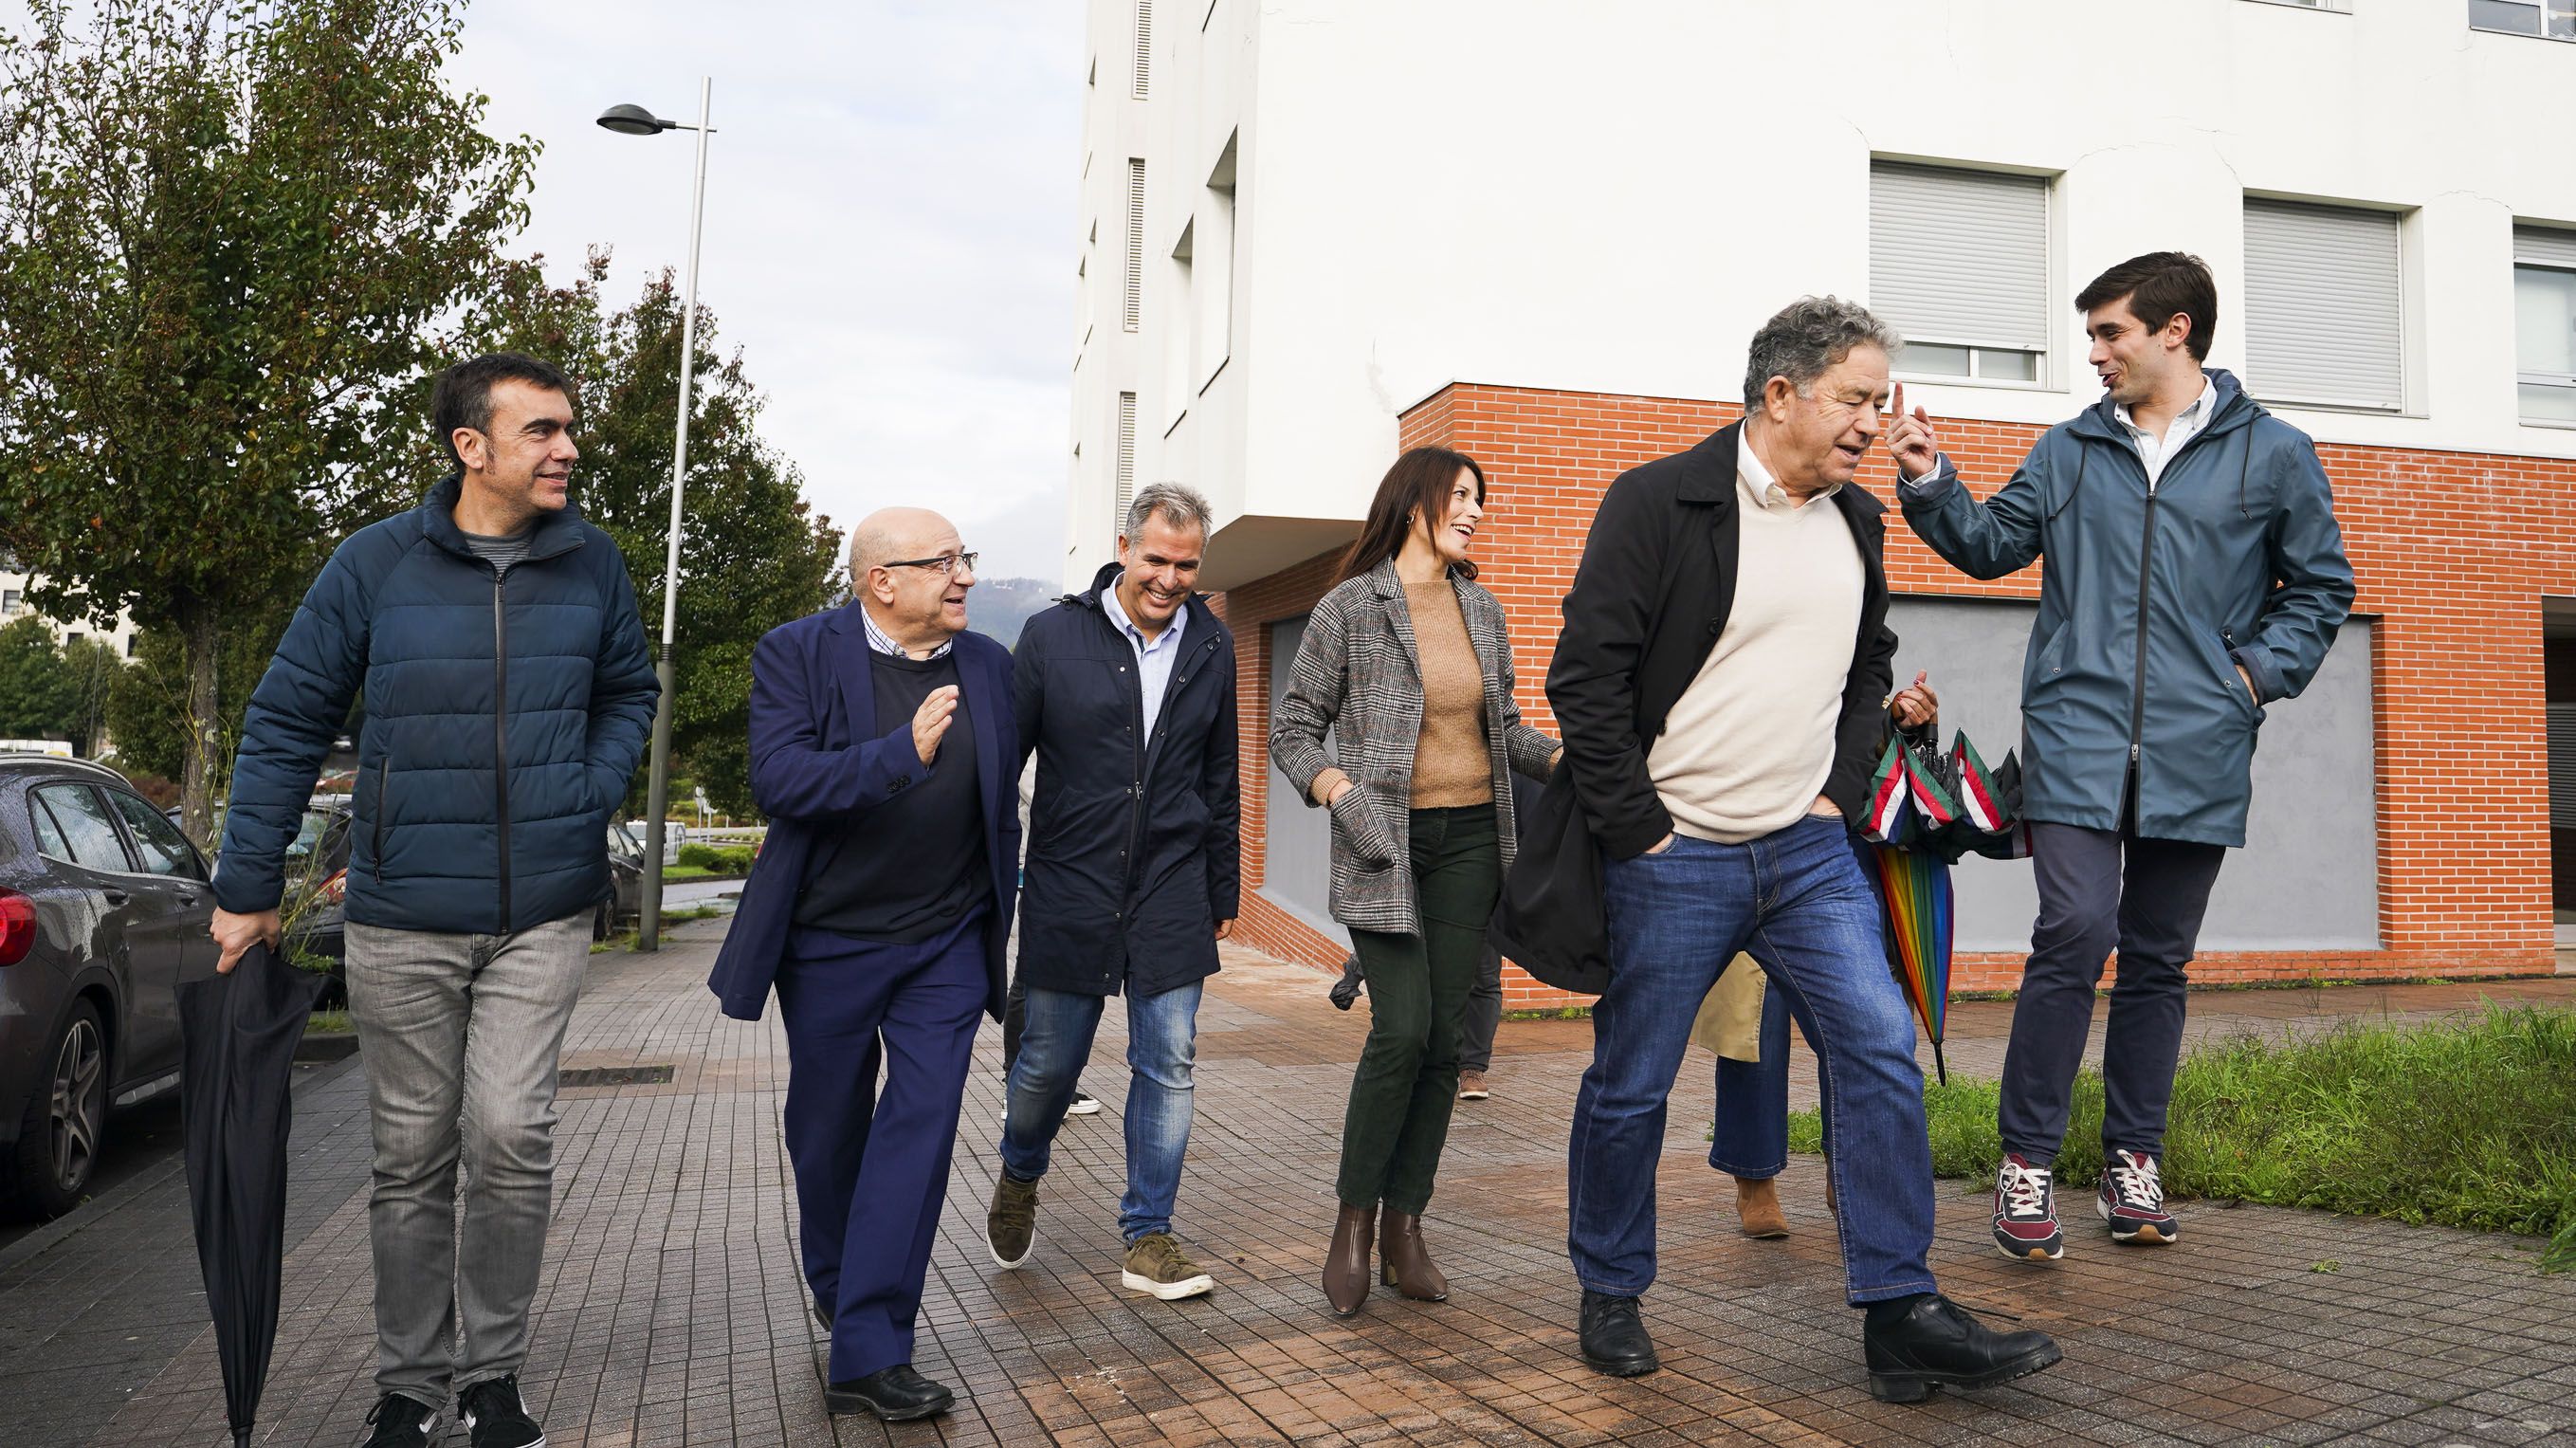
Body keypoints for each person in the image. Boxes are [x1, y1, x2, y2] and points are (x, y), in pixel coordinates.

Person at [1503, 297, 2059, 1403]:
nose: (1870, 422)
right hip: (1674, 856)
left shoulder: (1854, 521)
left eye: (1875, 400)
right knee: (1631, 1084)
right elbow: (1585, 684)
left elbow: (1867, 666)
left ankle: (1898, 1311)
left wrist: (1836, 793)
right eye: (1853, 398)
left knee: (1875, 1051)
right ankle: (1609, 1288)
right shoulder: (1659, 503)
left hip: (1805, 856)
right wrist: (1643, 831)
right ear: (1778, 394)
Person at [208, 353, 659, 1448]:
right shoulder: (373, 565)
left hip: (541, 910)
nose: (568, 449)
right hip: (403, 915)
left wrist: (585, 793)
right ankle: (411, 1387)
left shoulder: (593, 563)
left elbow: (628, 689)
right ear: (472, 447)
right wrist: (247, 886)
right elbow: (284, 722)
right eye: (543, 432)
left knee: (509, 1135)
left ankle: (491, 1377)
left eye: (568, 430)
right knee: (410, 1157)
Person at [1888, 251, 2353, 1261]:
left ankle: (2129, 1158)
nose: (2092, 353)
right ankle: (2023, 1165)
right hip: (2074, 736)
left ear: (2172, 330)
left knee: (2155, 960)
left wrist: (2248, 681)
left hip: (2197, 744)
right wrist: (1928, 479)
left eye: (2109, 333)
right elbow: (1984, 543)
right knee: (2074, 930)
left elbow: (2319, 591)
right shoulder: (2065, 452)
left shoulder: (2271, 453)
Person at [704, 509, 1020, 1424]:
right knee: (827, 1128)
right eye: (944, 563)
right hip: (830, 941)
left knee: (919, 1126)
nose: (962, 576)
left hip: (948, 941)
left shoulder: (990, 666)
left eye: (967, 558)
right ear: (882, 579)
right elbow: (782, 780)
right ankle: (842, 1289)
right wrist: (899, 754)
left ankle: (872, 1346)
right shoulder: (796, 652)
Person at [1270, 447, 1562, 1318]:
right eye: (1460, 497)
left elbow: (1502, 727)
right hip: (1383, 842)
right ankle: (1351, 1223)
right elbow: (1294, 729)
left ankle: (1406, 1225)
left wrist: (1570, 759)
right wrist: (1342, 792)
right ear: (1413, 506)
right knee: (1400, 1031)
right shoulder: (1348, 608)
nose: (1474, 511)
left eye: (1481, 497)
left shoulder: (1481, 606)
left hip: (1473, 838)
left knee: (1444, 1041)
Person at [983, 483, 1240, 1300]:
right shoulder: (1052, 635)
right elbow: (997, 768)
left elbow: (1220, 774)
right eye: (1157, 559)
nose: (1170, 579)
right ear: (1122, 543)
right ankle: (1021, 1169)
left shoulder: (1212, 644)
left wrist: (1221, 883)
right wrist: (990, 878)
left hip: (1171, 883)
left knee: (1167, 1058)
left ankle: (1148, 1235)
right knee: (1046, 1069)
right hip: (1071, 882)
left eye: (1187, 565)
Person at [1712, 677, 1936, 1238]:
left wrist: (1906, 721)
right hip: (1753, 833)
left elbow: (1870, 741)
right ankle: (1754, 1175)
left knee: (1859, 1025)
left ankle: (1851, 1174)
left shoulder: (1851, 638)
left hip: (1845, 847)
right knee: (1754, 1025)